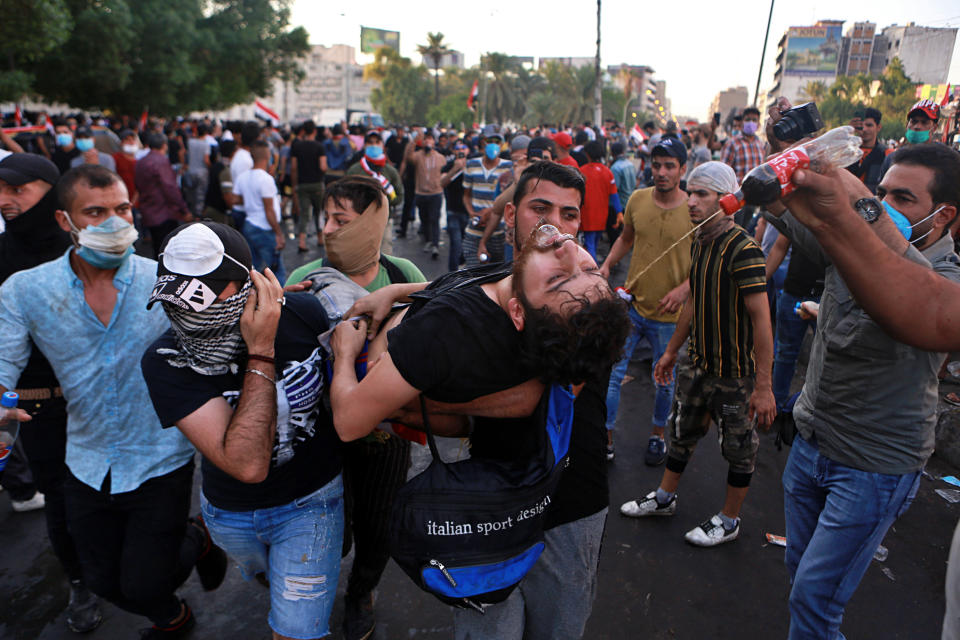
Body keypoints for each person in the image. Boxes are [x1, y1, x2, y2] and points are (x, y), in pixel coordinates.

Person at [341, 162, 630, 640]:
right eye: (541, 208)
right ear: (513, 214)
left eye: (569, 214)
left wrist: (435, 406)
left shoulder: (581, 297)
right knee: (489, 625)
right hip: (487, 497)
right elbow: (479, 284)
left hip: (570, 503)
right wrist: (395, 291)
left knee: (558, 625)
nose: (555, 225)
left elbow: (538, 394)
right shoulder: (523, 273)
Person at [0, 164, 226, 638]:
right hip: (86, 459)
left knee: (145, 583)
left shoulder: (166, 284)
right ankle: (175, 600)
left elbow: (222, 341)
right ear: (66, 222)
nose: (115, 222)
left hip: (163, 455)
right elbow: (3, 360)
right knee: (100, 578)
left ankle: (176, 600)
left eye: (122, 208)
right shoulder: (25, 290)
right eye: (96, 212)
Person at [762, 123, 960, 636]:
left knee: (815, 599)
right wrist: (783, 169)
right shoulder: (853, 242)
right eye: (881, 190)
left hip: (873, 465)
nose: (885, 202)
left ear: (946, 216)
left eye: (903, 197)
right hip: (813, 441)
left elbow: (914, 294)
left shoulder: (949, 282)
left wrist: (863, 211)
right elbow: (802, 222)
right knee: (799, 580)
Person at [142, 222, 343, 640]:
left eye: (205, 296)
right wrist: (262, 350)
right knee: (266, 578)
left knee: (297, 630)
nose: (192, 313)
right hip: (231, 513)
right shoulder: (165, 358)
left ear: (247, 282)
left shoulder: (303, 314)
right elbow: (246, 465)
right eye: (180, 299)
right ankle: (209, 540)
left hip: (312, 500)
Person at [286, 177, 424, 640]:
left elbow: (438, 316)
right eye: (324, 218)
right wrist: (291, 308)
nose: (327, 229)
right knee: (331, 531)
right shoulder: (302, 277)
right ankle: (315, 595)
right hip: (322, 433)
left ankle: (360, 591)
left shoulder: (401, 273)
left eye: (340, 221)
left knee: (378, 527)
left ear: (371, 224)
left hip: (387, 433)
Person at [620, 161, 776, 548]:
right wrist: (673, 351)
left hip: (735, 373)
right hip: (699, 363)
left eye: (702, 195)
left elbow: (762, 320)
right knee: (682, 432)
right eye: (691, 193)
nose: (691, 202)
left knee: (739, 450)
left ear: (727, 200)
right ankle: (665, 497)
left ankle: (729, 519)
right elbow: (693, 301)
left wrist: (763, 386)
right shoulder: (701, 241)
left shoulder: (744, 249)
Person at [0, 154, 103, 632]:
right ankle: (80, 582)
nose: (4, 199)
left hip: (100, 396)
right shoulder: (3, 254)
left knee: (112, 490)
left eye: (16, 189)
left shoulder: (91, 245)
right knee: (61, 503)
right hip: (37, 406)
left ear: (51, 190)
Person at [599, 137, 691, 464]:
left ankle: (657, 436)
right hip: (632, 308)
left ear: (683, 168)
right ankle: (606, 439)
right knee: (612, 375)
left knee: (663, 382)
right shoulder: (637, 199)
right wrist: (608, 264)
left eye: (669, 166)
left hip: (671, 319)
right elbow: (626, 239)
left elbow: (708, 261)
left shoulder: (695, 209)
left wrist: (684, 289)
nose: (662, 172)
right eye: (656, 165)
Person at [231, 140, 286, 283]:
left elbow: (235, 200)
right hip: (264, 228)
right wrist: (279, 234)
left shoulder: (243, 177)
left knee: (252, 269)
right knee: (276, 270)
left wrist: (251, 200)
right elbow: (269, 211)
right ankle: (281, 300)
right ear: (268, 156)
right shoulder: (266, 179)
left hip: (249, 225)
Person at [462, 124, 513, 266]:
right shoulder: (471, 165)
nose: (493, 145)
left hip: (499, 233)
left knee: (497, 276)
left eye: (497, 142)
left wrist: (490, 212)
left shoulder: (508, 167)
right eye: (490, 141)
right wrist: (472, 213)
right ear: (483, 141)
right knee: (472, 275)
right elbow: (466, 195)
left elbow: (510, 200)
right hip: (474, 231)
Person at [346, 131, 403, 255]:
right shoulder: (355, 170)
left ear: (383, 145)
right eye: (370, 143)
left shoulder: (390, 171)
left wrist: (384, 201)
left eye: (377, 142)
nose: (374, 145)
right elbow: (346, 194)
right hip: (360, 220)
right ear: (365, 145)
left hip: (384, 219)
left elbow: (400, 195)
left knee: (385, 252)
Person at [135, 132, 192, 257]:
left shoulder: (141, 162)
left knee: (157, 247)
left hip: (148, 210)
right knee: (166, 249)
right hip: (163, 212)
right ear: (164, 146)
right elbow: (170, 188)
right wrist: (184, 209)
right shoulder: (161, 161)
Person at [401, 130, 446, 259]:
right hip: (421, 193)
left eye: (430, 139)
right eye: (426, 139)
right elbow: (408, 157)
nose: (428, 141)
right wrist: (414, 141)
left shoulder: (440, 157)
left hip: (435, 193)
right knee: (424, 218)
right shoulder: (418, 155)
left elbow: (444, 173)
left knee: (435, 219)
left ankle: (435, 244)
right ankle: (429, 240)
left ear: (434, 141)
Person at [721, 107, 767, 230]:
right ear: (742, 123)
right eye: (748, 119)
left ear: (758, 124)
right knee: (732, 229)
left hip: (753, 198)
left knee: (745, 230)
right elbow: (724, 172)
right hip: (736, 197)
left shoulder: (760, 144)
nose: (751, 123)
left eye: (754, 120)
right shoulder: (732, 143)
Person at [578, 141, 622, 261]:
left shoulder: (581, 172)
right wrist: (619, 213)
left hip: (586, 215)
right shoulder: (608, 172)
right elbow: (614, 195)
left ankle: (594, 272)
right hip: (602, 215)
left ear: (587, 154)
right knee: (594, 244)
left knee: (589, 245)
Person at [290, 120, 327, 252]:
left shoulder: (297, 147)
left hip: (302, 184)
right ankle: (320, 238)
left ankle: (302, 241)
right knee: (318, 212)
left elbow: (293, 167)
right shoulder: (319, 147)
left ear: (304, 131)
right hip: (317, 183)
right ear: (315, 131)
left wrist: (295, 184)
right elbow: (323, 166)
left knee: (304, 214)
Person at [880, 99, 942, 178]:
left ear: (934, 128)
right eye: (914, 121)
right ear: (907, 125)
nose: (917, 127)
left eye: (924, 122)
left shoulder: (943, 160)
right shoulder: (892, 159)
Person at [440, 142, 470, 271]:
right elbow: (442, 183)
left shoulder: (473, 166)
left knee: (467, 245)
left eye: (463, 148)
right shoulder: (448, 166)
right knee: (456, 244)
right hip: (453, 211)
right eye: (458, 149)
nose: (461, 151)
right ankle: (451, 275)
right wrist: (455, 169)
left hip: (469, 212)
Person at [846, 107, 885, 194]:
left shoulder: (886, 154)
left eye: (869, 125)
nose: (864, 129)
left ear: (878, 127)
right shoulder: (846, 152)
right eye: (861, 126)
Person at [184, 124, 211, 217]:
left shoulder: (190, 142)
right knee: (200, 196)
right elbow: (206, 160)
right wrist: (210, 167)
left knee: (191, 195)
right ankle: (198, 216)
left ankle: (190, 213)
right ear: (206, 133)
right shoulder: (206, 144)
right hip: (202, 172)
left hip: (190, 172)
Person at [609, 141, 635, 210]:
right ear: (623, 152)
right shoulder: (630, 164)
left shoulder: (615, 168)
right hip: (630, 202)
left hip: (621, 205)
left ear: (612, 153)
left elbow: (614, 188)